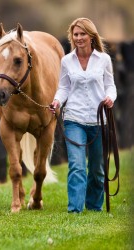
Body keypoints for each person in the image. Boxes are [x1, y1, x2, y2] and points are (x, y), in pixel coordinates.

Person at [50, 17, 117, 213]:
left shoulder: (103, 60)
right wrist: (57, 101)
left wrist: (110, 97)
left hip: (98, 120)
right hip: (74, 120)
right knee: (77, 167)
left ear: (91, 36)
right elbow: (63, 88)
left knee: (97, 170)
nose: (78, 38)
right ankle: (75, 210)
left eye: (82, 34)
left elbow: (110, 85)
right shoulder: (67, 61)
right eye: (75, 34)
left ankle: (95, 207)